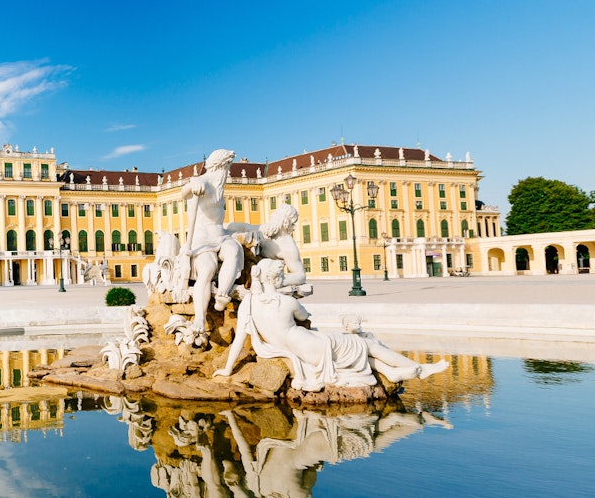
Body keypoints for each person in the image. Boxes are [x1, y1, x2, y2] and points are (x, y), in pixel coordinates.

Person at [215, 259, 448, 390]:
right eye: (282, 277)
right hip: (312, 345)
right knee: (365, 344)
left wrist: (227, 369)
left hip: (300, 349)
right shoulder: (286, 301)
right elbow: (304, 315)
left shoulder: (249, 304)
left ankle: (391, 372)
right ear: (275, 279)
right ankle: (419, 367)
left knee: (360, 352)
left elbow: (237, 343)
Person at [176, 149, 245, 339]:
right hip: (201, 239)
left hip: (220, 236)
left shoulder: (220, 185)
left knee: (233, 251)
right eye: (228, 167)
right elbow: (184, 192)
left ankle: (222, 295)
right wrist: (193, 184)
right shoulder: (204, 181)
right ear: (221, 166)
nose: (228, 172)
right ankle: (199, 318)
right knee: (207, 269)